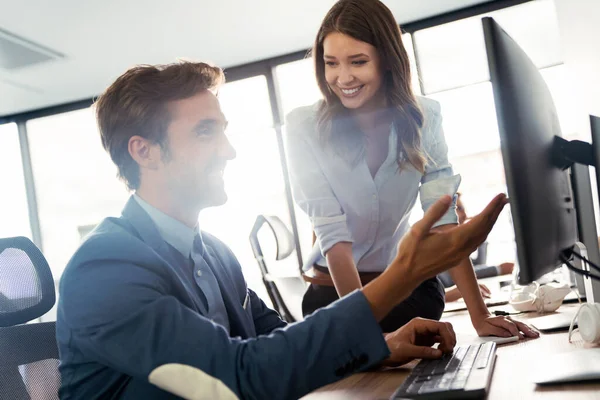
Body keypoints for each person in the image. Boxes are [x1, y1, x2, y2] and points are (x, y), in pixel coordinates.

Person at [55, 61, 517, 400]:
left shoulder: (214, 254)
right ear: (145, 152)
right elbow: (235, 378)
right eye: (204, 132)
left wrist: (378, 348)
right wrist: (401, 274)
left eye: (223, 130)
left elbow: (277, 343)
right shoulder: (104, 268)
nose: (229, 151)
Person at [285, 0, 536, 336]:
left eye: (358, 62)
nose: (342, 77)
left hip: (409, 289)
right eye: (331, 63)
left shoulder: (425, 118)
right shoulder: (304, 127)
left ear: (387, 60)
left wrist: (480, 317)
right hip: (336, 298)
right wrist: (369, 335)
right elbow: (333, 236)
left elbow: (444, 221)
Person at [443, 193, 515, 302]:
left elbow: (478, 264)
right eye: (459, 209)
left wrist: (481, 231)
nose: (464, 214)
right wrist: (498, 269)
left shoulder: (454, 241)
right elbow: (450, 279)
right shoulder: (440, 243)